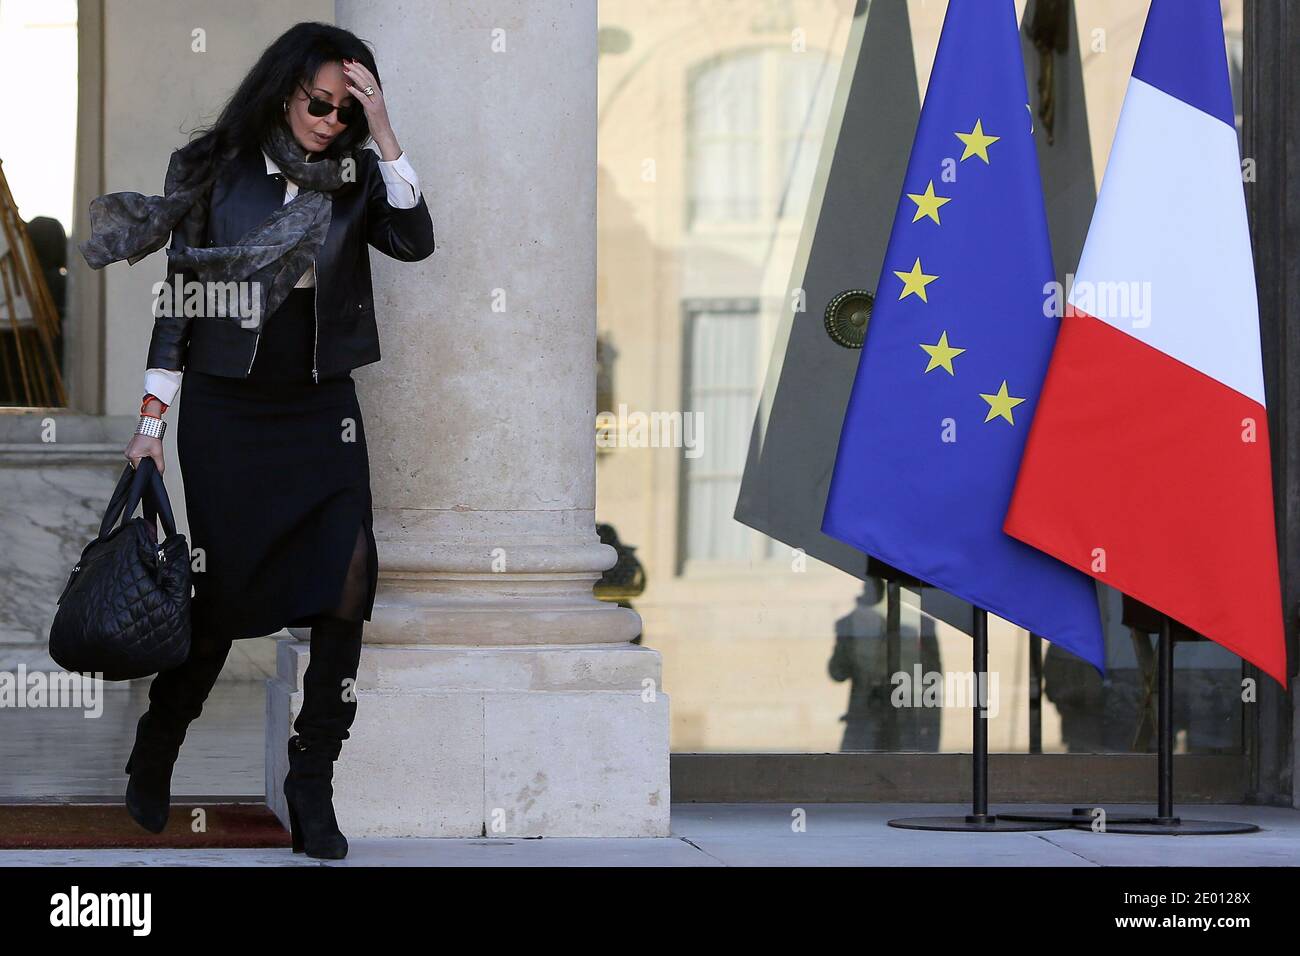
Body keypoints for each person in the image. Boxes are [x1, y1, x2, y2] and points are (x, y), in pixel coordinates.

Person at [77, 21, 435, 859]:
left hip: (318, 407)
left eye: (349, 113)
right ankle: (162, 738)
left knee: (350, 580)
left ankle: (313, 780)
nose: (331, 122)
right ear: (285, 92)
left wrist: (385, 138)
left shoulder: (356, 176)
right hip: (229, 411)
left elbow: (415, 242)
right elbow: (180, 302)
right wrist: (150, 424)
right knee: (229, 594)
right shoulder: (210, 169)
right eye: (322, 104)